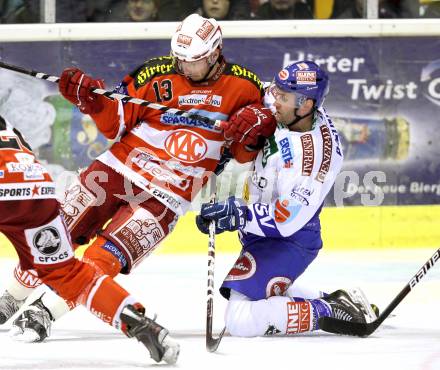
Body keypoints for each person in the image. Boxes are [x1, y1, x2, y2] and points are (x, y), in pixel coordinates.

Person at [0, 13, 276, 341]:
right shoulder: (156, 72)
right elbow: (115, 122)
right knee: (55, 233)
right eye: (180, 59)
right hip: (116, 169)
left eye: (194, 62)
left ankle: (46, 311)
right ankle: (10, 299)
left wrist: (256, 126)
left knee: (105, 256)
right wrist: (90, 100)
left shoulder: (246, 87)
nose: (184, 68)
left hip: (169, 193)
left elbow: (248, 151)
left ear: (215, 54)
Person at [196, 61, 377, 337]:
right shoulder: (294, 109)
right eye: (276, 92)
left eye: (283, 97)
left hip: (288, 241)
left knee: (240, 320)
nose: (274, 99)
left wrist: (239, 215)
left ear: (305, 106)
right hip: (262, 230)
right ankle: (336, 299)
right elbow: (256, 100)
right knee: (260, 295)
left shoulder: (313, 161)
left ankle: (329, 312)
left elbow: (285, 221)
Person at [0, 115, 179, 363]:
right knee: (69, 275)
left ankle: (21, 303)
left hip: (9, 180)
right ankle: (139, 324)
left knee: (85, 261)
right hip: (32, 183)